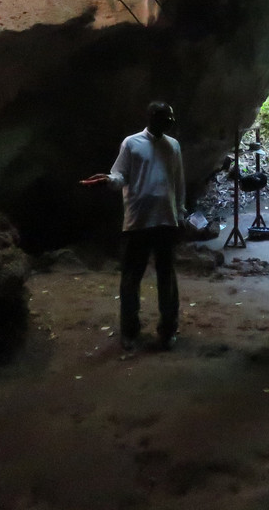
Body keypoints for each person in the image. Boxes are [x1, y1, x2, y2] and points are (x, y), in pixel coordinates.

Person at [81, 101, 186, 351]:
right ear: (151, 117)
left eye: (171, 118)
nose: (170, 122)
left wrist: (180, 212)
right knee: (131, 278)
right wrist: (108, 180)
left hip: (165, 221)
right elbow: (120, 175)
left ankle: (168, 330)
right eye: (165, 117)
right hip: (138, 221)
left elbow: (179, 182)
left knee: (167, 278)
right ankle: (130, 331)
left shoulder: (173, 146)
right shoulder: (131, 143)